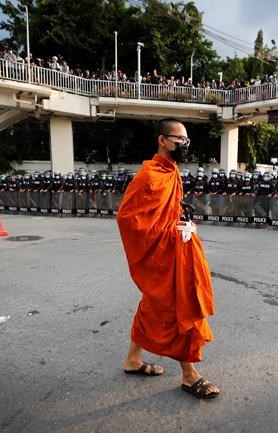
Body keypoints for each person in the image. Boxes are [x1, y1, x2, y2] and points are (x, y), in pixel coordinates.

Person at [117, 118, 219, 399]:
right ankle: (189, 375)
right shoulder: (149, 176)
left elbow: (167, 211)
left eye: (186, 140)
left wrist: (181, 222)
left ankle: (133, 360)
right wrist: (170, 232)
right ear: (162, 140)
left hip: (174, 248)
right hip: (161, 252)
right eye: (179, 139)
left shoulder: (171, 170)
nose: (184, 145)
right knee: (179, 307)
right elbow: (128, 219)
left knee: (153, 305)